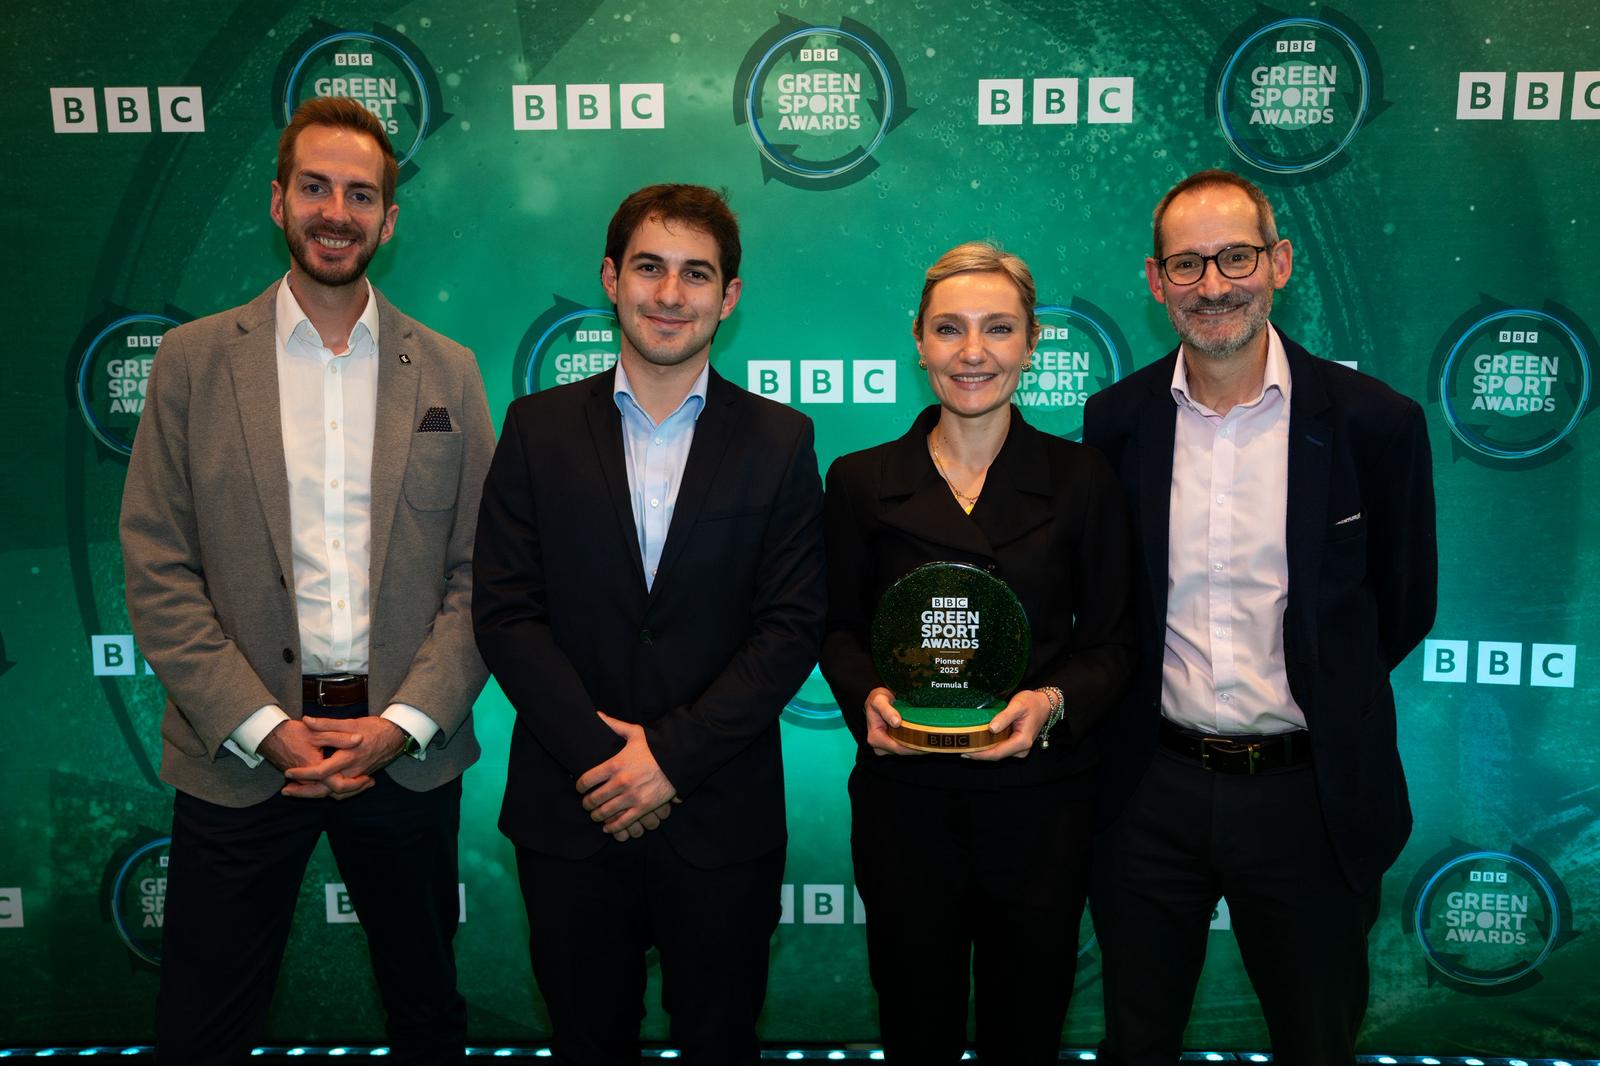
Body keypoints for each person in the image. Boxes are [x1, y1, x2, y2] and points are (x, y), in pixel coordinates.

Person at [119, 97, 493, 1063]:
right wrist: (264, 726)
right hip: (240, 758)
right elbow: (158, 565)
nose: (337, 211)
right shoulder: (192, 362)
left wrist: (401, 723)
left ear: (389, 220)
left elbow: (481, 573)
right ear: (277, 201)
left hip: (401, 756)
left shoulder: (449, 372)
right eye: (316, 187)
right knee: (201, 1029)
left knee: (427, 1017)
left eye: (360, 194)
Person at [1081, 169, 1438, 1064]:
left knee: (1317, 1042)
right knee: (1136, 1041)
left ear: (1279, 263)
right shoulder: (1115, 421)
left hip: (1309, 796)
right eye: (1187, 264)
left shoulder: (1376, 423)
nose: (1213, 285)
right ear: (1156, 281)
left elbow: (1402, 604)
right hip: (1149, 790)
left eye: (1235, 258)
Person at [472, 183, 826, 1064]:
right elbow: (507, 612)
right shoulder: (535, 428)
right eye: (650, 268)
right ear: (611, 278)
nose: (670, 294)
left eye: (696, 274)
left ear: (729, 296)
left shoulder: (780, 441)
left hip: (721, 817)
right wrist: (608, 762)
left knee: (721, 1043)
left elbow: (790, 627)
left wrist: (668, 759)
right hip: (572, 809)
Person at [819, 241, 1135, 1063]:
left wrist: (1051, 703)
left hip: (1042, 804)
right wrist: (867, 699)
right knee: (914, 1028)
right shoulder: (859, 480)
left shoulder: (1083, 480)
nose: (973, 352)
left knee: (1024, 1033)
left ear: (1032, 344)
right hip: (904, 801)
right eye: (949, 328)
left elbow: (1113, 641)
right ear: (918, 342)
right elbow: (837, 628)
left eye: (998, 328)